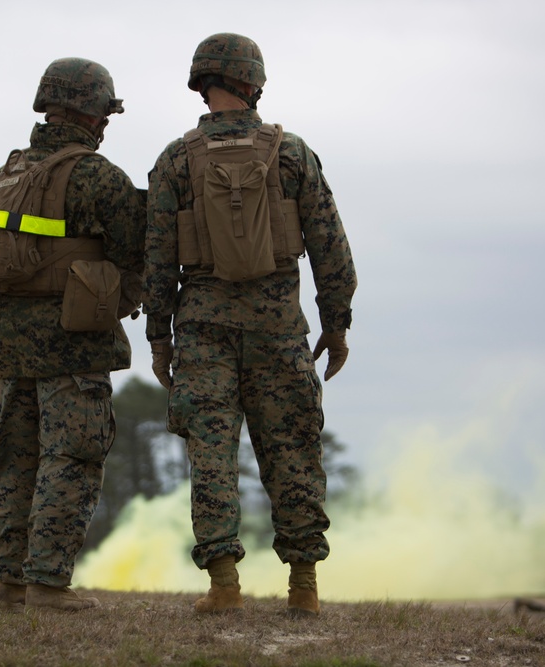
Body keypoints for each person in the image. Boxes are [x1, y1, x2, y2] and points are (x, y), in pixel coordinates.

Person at [142, 33, 357, 617]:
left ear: (202, 82)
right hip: (279, 328)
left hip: (203, 329)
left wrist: (159, 337)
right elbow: (331, 249)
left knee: (211, 454)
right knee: (292, 451)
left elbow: (157, 258)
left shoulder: (175, 159)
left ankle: (223, 585)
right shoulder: (292, 154)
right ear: (253, 83)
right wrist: (335, 325)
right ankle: (305, 587)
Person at [0, 58, 145, 612]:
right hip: (74, 344)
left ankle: (10, 584)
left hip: (8, 345)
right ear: (90, 110)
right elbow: (134, 256)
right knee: (70, 457)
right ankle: (49, 585)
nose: (105, 125)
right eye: (104, 113)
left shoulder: (1, 178)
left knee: (13, 460)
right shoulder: (100, 178)